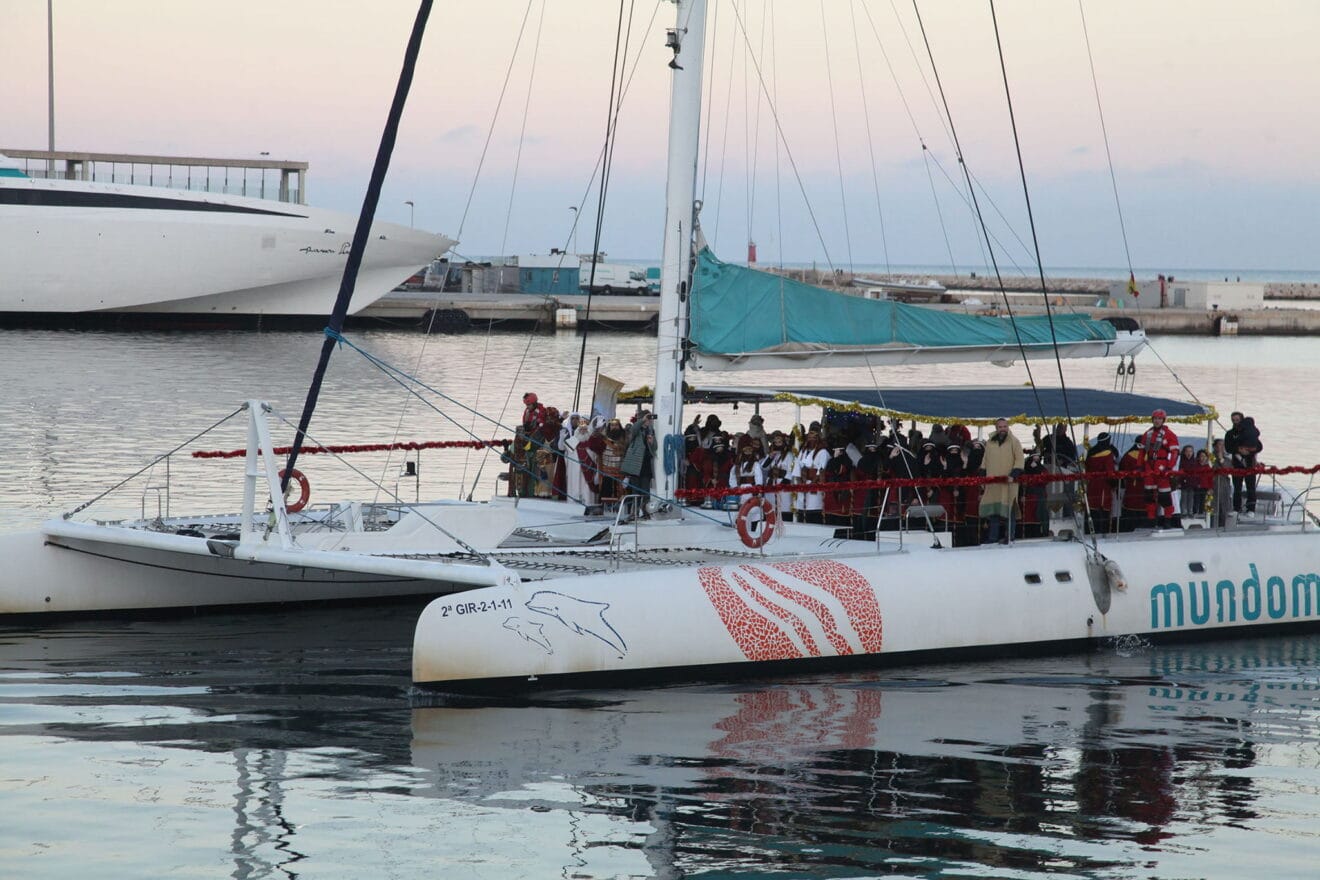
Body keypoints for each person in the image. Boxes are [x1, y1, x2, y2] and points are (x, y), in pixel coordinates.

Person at [979, 418, 1024, 544]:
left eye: (1005, 426)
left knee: (1010, 511)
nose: (1003, 429)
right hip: (993, 484)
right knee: (994, 512)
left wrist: (1014, 474)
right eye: (1000, 427)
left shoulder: (1014, 441)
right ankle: (993, 538)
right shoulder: (990, 442)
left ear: (1008, 427)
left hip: (1009, 483)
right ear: (996, 428)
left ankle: (1010, 537)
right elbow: (985, 460)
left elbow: (1020, 459)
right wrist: (982, 474)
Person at [1138, 409, 1180, 529]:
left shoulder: (1169, 434)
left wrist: (1170, 467)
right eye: (1155, 418)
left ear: (1163, 420)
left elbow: (1174, 452)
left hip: (1162, 467)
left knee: (1165, 495)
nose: (1157, 421)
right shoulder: (1148, 434)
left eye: (1159, 419)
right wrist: (1139, 466)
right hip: (1149, 466)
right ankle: (1151, 520)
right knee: (1149, 494)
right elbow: (1142, 451)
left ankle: (1167, 520)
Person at [1224, 411, 1263, 516]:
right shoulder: (1229, 434)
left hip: (1250, 464)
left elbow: (1259, 446)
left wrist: (1249, 450)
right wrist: (1238, 449)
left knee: (1251, 487)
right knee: (1237, 487)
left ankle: (1251, 509)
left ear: (1242, 420)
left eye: (1237, 420)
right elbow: (1228, 448)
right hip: (1237, 464)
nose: (1235, 422)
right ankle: (1236, 508)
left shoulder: (1250, 432)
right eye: (1233, 420)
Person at [1082, 431, 1119, 534]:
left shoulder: (1091, 452)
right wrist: (1114, 483)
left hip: (1092, 484)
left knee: (1092, 508)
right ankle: (1103, 531)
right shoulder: (1108, 453)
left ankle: (1090, 530)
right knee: (1103, 508)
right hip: (1104, 485)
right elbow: (1110, 471)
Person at [792, 430, 830, 524]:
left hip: (814, 484)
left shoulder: (822, 452)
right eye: (809, 438)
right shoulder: (803, 451)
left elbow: (821, 469)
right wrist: (800, 482)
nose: (811, 440)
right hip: (803, 482)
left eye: (814, 438)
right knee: (801, 509)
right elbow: (797, 466)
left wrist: (812, 484)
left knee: (813, 508)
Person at [620, 411, 657, 499]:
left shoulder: (651, 430)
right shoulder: (636, 430)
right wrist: (642, 420)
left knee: (645, 490)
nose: (650, 421)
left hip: (646, 464)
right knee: (635, 490)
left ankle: (645, 510)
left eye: (650, 419)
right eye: (648, 419)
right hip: (635, 465)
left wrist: (652, 443)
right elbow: (633, 429)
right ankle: (635, 510)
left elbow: (655, 448)